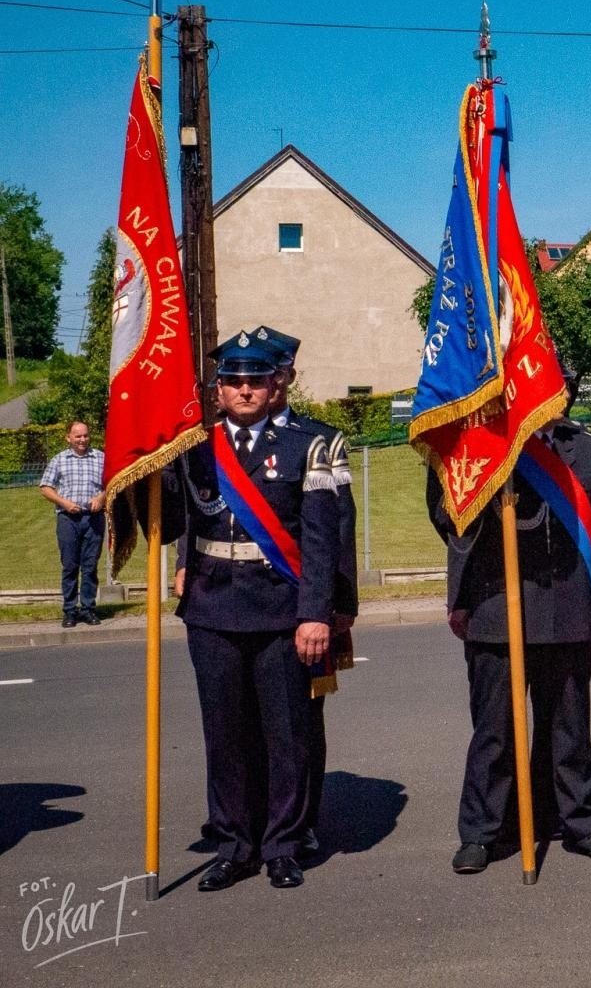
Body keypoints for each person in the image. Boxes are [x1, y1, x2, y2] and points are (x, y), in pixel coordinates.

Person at [165, 331, 341, 890]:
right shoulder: (193, 446)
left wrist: (317, 613)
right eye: (234, 382)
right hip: (213, 607)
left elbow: (320, 541)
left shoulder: (308, 446)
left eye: (255, 381)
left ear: (275, 384)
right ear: (218, 390)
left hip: (279, 607)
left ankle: (283, 844)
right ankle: (233, 844)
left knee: (286, 733)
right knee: (225, 733)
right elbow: (175, 521)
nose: (244, 391)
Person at [432, 403, 591, 872]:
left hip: (568, 607)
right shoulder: (481, 444)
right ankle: (483, 831)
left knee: (569, 729)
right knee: (494, 731)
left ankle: (579, 822)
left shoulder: (582, 448)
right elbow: (444, 516)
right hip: (496, 607)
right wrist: (483, 489)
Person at [250, 325, 359, 856]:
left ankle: (302, 816)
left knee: (300, 717)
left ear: (288, 377)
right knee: (246, 720)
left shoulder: (321, 438)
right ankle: (252, 818)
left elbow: (338, 527)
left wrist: (340, 605)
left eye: (277, 371)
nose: (270, 381)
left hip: (306, 597)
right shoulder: (223, 438)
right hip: (242, 599)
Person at [39, 421, 106, 628]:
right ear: (68, 437)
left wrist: (101, 498)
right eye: (78, 436)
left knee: (90, 566)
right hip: (68, 519)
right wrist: (64, 503)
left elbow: (113, 483)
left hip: (93, 518)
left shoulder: (101, 458)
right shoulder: (59, 460)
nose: (82, 440)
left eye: (85, 435)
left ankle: (88, 609)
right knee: (69, 566)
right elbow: (45, 487)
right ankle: (69, 610)